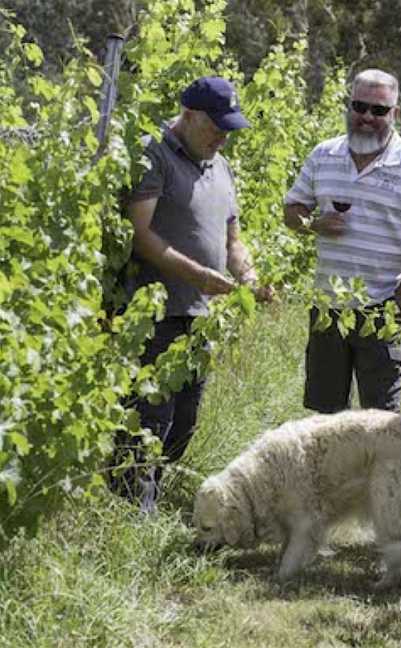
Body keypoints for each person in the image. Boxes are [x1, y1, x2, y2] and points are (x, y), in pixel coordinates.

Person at [112, 76, 271, 512]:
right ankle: (131, 517)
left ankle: (152, 501)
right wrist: (198, 275)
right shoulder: (154, 154)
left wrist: (252, 279)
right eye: (216, 126)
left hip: (201, 318)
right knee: (147, 421)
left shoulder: (220, 166)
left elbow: (232, 240)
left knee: (183, 422)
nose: (223, 136)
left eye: (228, 128)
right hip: (155, 314)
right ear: (190, 115)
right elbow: (141, 236)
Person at [283, 69, 401, 413]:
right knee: (325, 416)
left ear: (395, 114)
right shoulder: (323, 154)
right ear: (349, 106)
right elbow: (291, 211)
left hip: (380, 309)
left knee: (379, 419)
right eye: (359, 106)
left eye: (379, 110)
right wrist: (313, 224)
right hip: (328, 309)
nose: (367, 117)